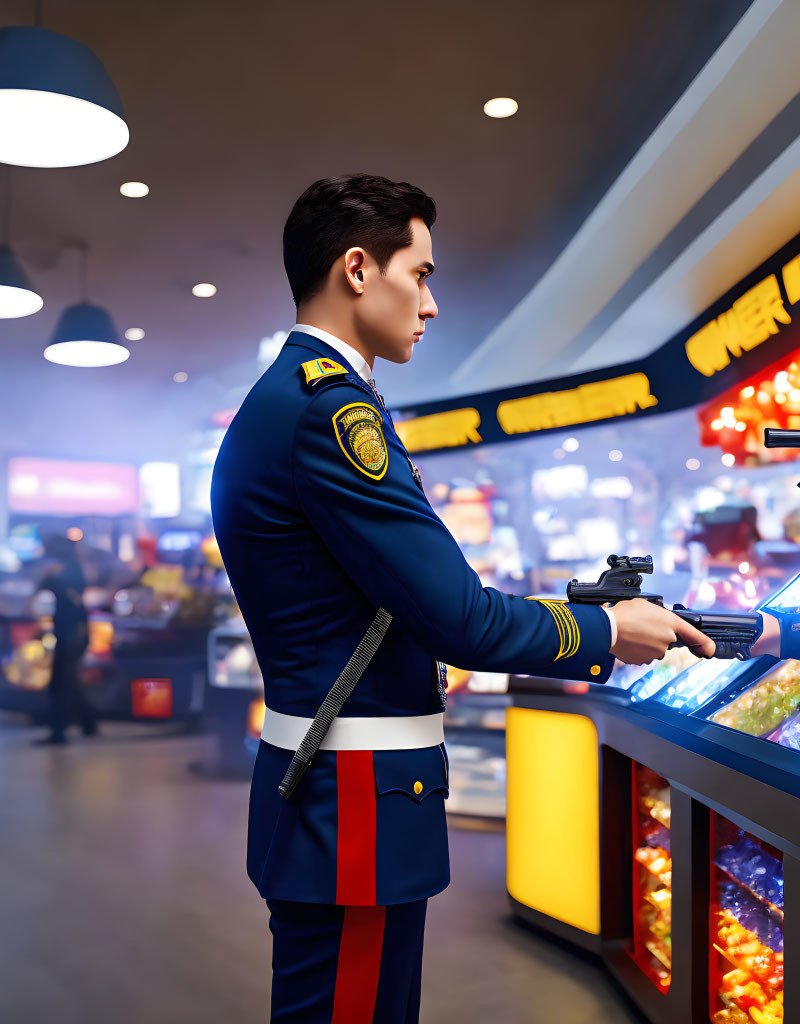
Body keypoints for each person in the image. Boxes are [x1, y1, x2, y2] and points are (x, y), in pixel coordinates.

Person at [210, 174, 718, 1023]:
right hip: (356, 798)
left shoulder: (298, 402)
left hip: (338, 786)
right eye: (423, 273)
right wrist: (604, 629)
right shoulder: (329, 415)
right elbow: (459, 615)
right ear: (360, 269)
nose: (432, 304)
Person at [34, 533, 97, 745]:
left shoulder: (65, 571)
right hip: (70, 631)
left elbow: (62, 596)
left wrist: (49, 579)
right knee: (67, 681)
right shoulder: (67, 568)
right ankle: (88, 723)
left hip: (72, 633)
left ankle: (59, 732)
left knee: (60, 683)